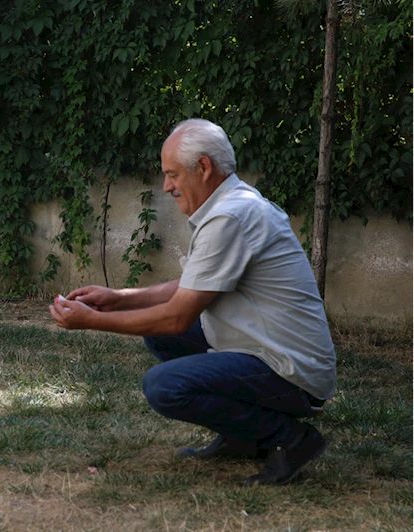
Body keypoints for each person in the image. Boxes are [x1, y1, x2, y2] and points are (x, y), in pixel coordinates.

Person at [49, 118, 336, 486]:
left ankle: (290, 439)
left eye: (172, 174)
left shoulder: (230, 215)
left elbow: (177, 317)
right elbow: (192, 284)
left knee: (164, 386)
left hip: (293, 373)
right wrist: (118, 299)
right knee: (160, 338)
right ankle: (243, 436)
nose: (166, 186)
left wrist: (90, 320)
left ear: (203, 168)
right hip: (270, 351)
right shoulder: (233, 204)